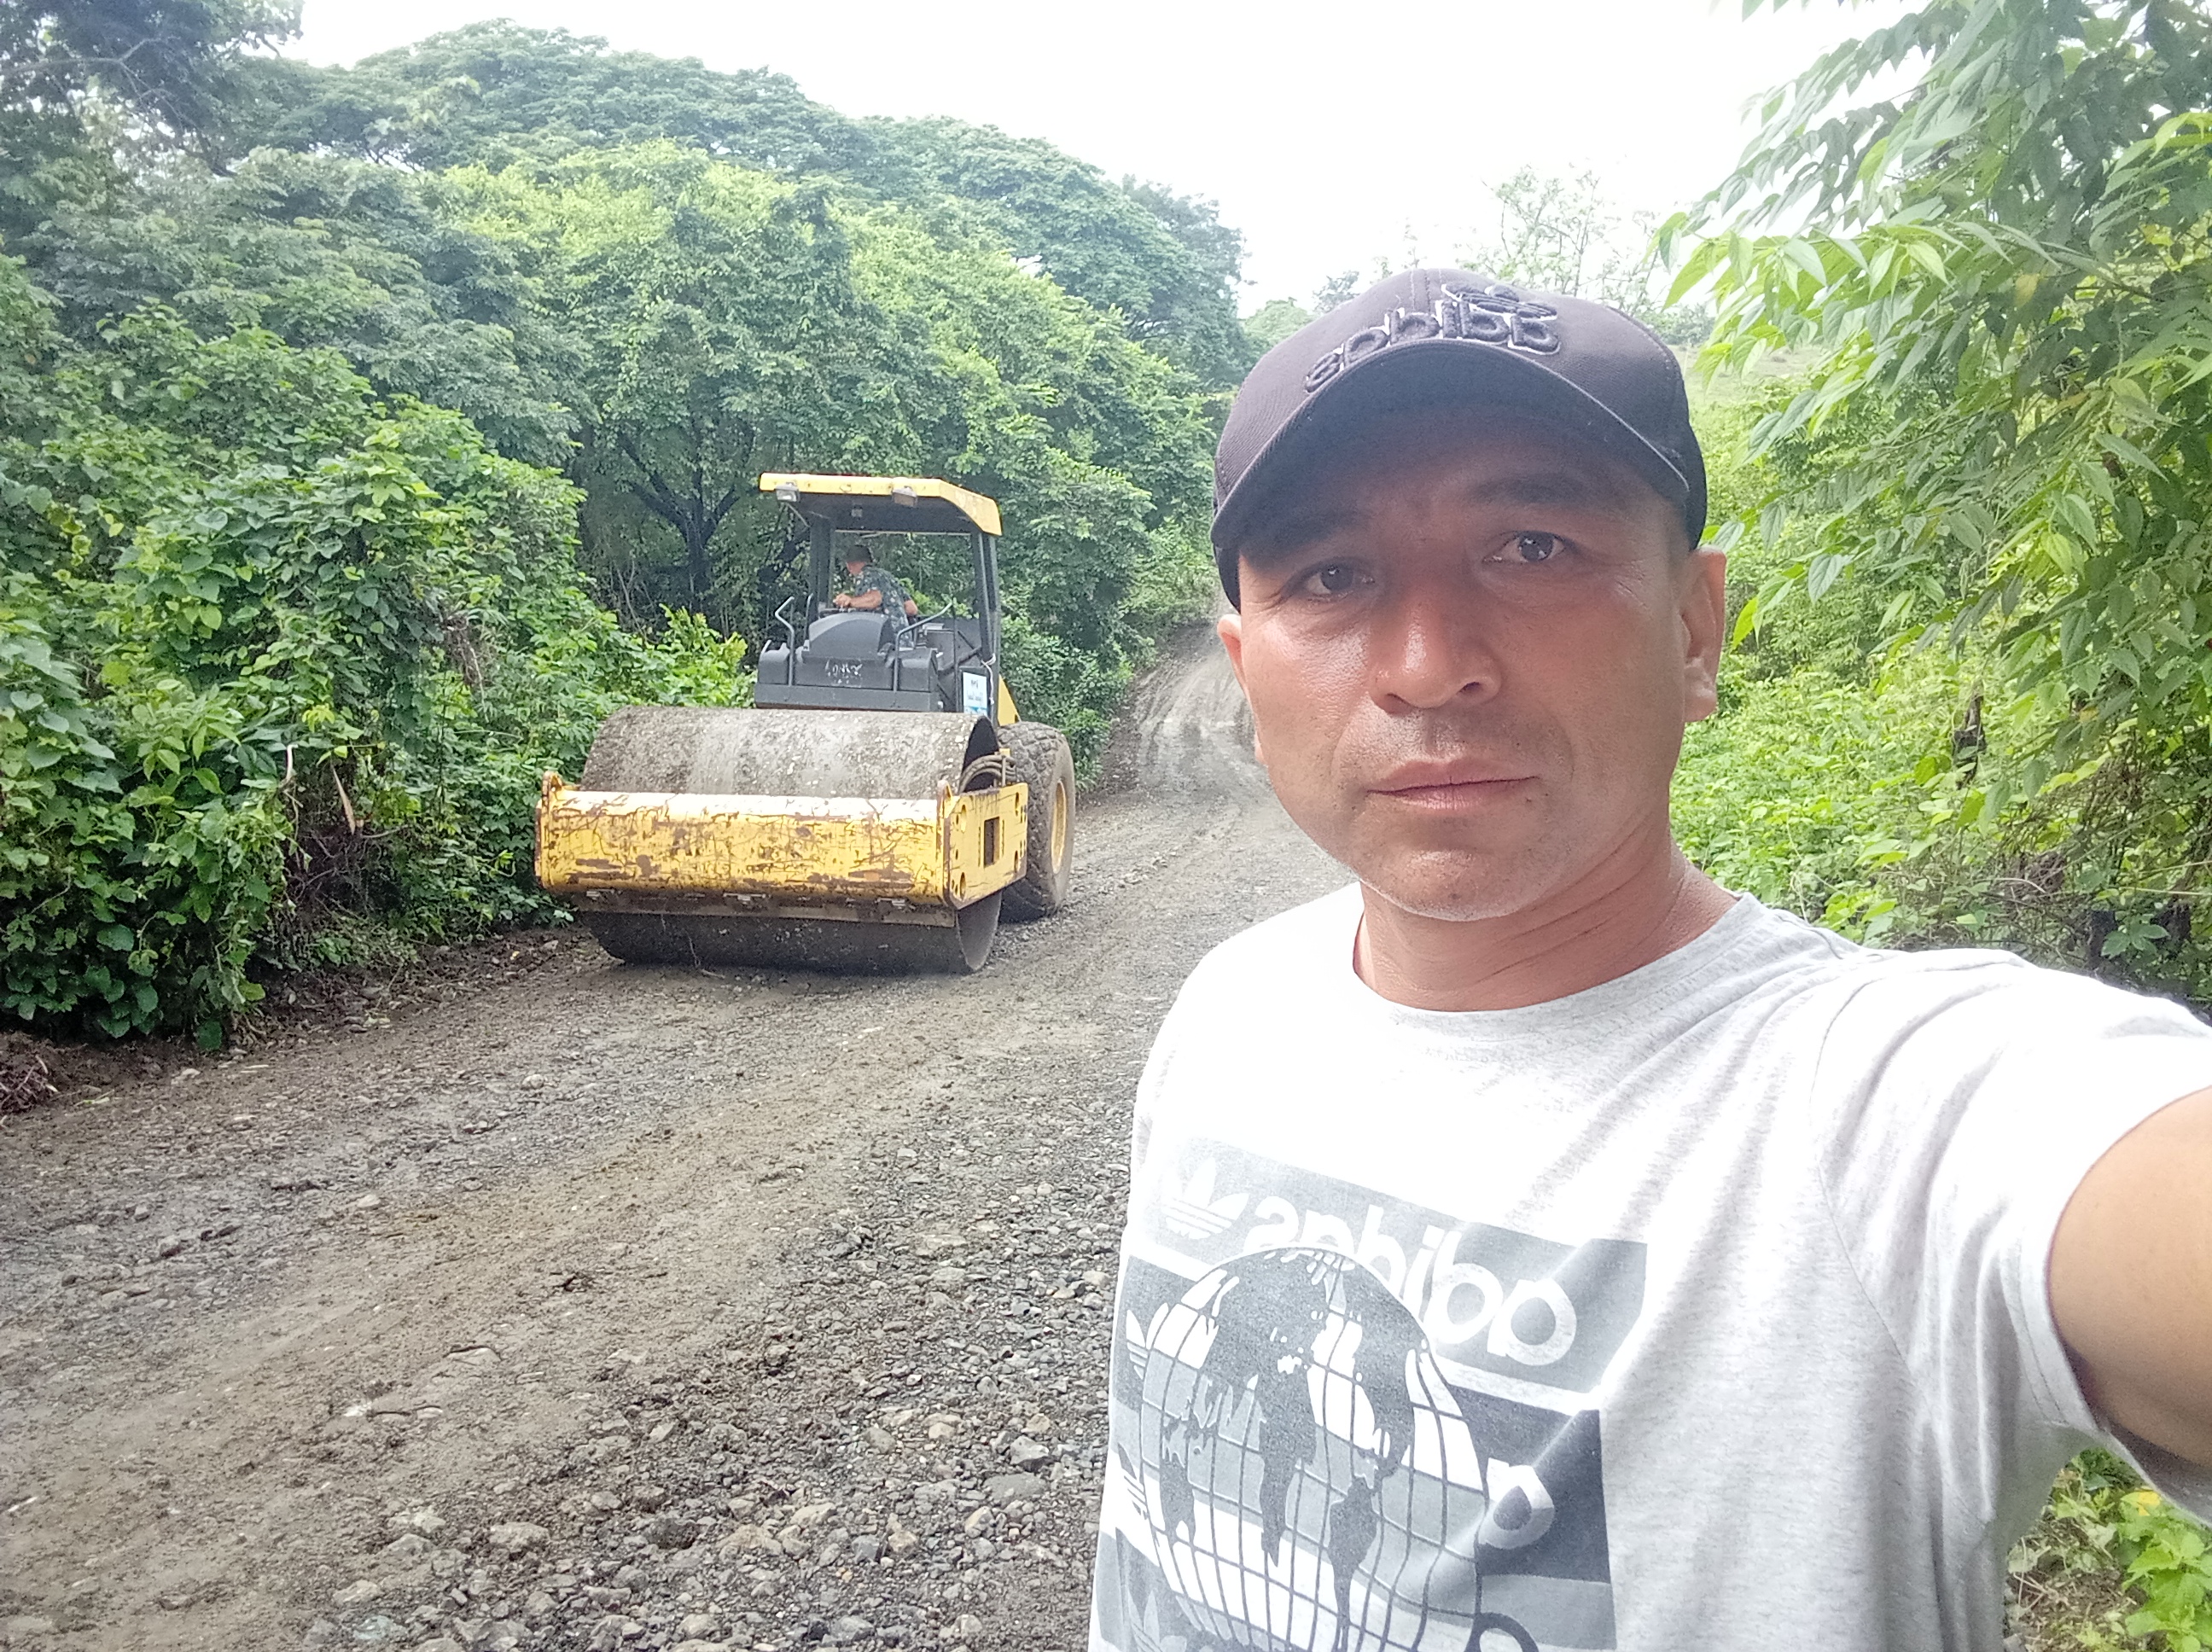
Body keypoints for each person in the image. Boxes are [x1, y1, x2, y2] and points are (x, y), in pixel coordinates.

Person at [1089, 270, 2212, 1652]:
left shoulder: (1882, 1113)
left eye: (1532, 547)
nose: (1428, 665)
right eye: (1331, 577)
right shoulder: (1230, 1011)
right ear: (1245, 666)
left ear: (1694, 627)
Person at [832, 543, 917, 625]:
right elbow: (911, 609)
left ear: (849, 565)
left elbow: (875, 599)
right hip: (902, 634)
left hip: (883, 633)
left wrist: (850, 602)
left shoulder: (865, 575)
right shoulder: (887, 577)